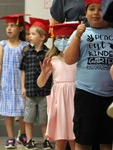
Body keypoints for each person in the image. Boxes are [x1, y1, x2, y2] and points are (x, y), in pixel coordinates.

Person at [64, 0, 113, 150]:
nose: (96, 13)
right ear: (86, 13)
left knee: (107, 139)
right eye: (92, 9)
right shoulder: (80, 33)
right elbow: (69, 60)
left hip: (110, 97)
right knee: (84, 139)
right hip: (86, 94)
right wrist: (78, 36)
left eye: (101, 9)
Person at [37, 22, 79, 150]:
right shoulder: (52, 59)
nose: (62, 41)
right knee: (60, 139)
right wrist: (44, 73)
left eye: (67, 37)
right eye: (59, 38)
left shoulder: (79, 58)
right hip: (59, 101)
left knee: (74, 138)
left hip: (74, 98)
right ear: (54, 40)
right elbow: (40, 83)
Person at [0, 14, 29, 149]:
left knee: (22, 112)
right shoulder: (2, 45)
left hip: (20, 83)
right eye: (7, 26)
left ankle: (23, 134)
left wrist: (24, 85)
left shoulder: (24, 46)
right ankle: (10, 138)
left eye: (12, 25)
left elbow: (26, 67)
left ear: (20, 28)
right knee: (8, 113)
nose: (9, 28)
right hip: (6, 84)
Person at [19, 17, 53, 150]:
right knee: (29, 118)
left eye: (33, 34)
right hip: (30, 92)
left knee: (44, 119)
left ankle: (46, 140)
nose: (30, 36)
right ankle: (30, 140)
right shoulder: (27, 54)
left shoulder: (48, 54)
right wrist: (23, 87)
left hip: (45, 92)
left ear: (42, 37)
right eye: (29, 34)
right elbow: (23, 71)